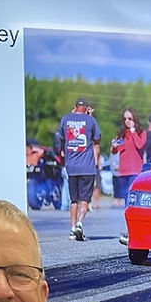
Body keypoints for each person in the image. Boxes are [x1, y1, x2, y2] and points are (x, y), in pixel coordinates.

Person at [56, 97, 101, 240]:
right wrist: (90, 117)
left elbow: (62, 139)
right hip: (87, 167)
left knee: (73, 199)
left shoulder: (65, 119)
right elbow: (97, 139)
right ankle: (80, 223)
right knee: (84, 199)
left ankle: (72, 228)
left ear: (75, 106)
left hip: (71, 166)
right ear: (87, 108)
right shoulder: (91, 121)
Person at [112, 107, 147, 244]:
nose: (127, 121)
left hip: (135, 171)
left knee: (131, 201)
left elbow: (140, 145)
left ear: (135, 119)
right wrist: (114, 146)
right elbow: (116, 150)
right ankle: (128, 230)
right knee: (125, 203)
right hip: (123, 171)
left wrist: (133, 132)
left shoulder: (140, 132)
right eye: (125, 119)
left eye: (130, 118)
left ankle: (132, 231)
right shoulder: (122, 133)